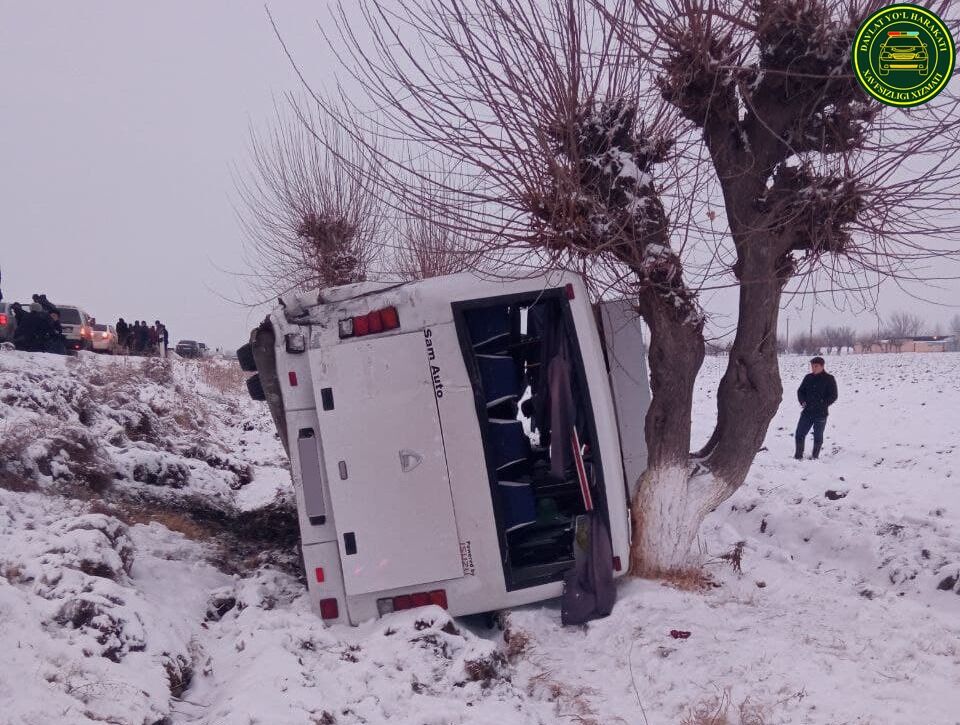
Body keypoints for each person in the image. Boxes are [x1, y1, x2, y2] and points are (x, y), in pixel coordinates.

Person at [794, 356, 838, 460]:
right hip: (807, 412)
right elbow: (800, 391)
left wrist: (823, 403)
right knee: (799, 434)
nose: (813, 368)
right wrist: (802, 401)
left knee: (818, 437)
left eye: (816, 366)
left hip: (821, 414)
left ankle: (815, 456)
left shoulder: (829, 379)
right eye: (812, 366)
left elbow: (834, 395)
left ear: (822, 366)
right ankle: (798, 456)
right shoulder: (808, 377)